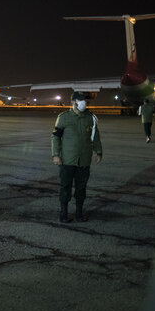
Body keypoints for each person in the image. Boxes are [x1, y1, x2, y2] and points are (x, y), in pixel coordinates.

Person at [51, 91, 102, 223]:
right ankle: (64, 214)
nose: (85, 103)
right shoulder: (64, 117)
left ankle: (79, 213)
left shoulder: (90, 117)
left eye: (86, 101)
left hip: (84, 159)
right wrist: (56, 155)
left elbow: (95, 136)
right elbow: (55, 137)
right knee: (65, 187)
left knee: (81, 188)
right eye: (82, 100)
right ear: (74, 102)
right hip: (67, 159)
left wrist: (99, 151)